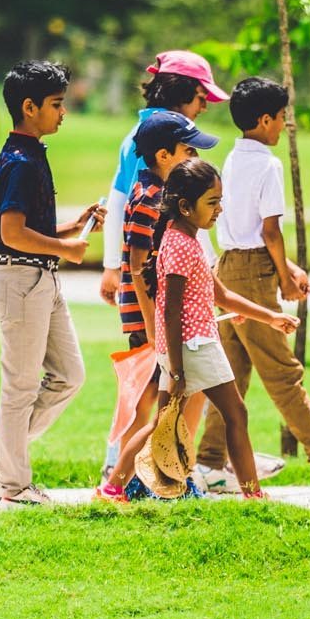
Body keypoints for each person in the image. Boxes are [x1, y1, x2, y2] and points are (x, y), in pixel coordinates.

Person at [196, 77, 310, 491]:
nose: (284, 126)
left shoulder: (230, 160)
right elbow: (270, 233)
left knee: (231, 372)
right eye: (281, 118)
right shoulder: (268, 163)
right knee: (282, 372)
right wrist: (283, 276)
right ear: (264, 120)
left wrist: (288, 267)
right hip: (255, 273)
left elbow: (242, 232)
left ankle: (209, 463)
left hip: (227, 268)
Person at [94, 50, 245, 480]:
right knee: (159, 385)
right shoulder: (153, 138)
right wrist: (114, 269)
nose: (203, 106)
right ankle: (145, 471)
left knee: (167, 385)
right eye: (201, 96)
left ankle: (168, 468)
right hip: (159, 290)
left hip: (177, 282)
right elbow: (125, 205)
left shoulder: (168, 133)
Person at [0, 61, 104, 507]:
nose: (63, 112)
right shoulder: (21, 161)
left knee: (70, 375)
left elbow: (30, 226)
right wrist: (67, 249)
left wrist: (74, 226)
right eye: (56, 104)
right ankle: (14, 488)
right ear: (29, 107)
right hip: (20, 279)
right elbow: (10, 233)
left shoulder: (30, 154)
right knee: (21, 387)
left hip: (39, 278)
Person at [150, 158, 300, 499]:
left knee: (164, 423)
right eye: (213, 202)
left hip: (185, 347)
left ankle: (144, 488)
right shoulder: (181, 245)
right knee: (235, 413)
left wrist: (270, 317)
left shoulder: (186, 240)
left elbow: (223, 295)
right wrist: (175, 367)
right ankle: (252, 494)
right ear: (186, 207)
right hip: (194, 346)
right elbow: (171, 310)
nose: (220, 210)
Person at [98, 109, 216, 500]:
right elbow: (135, 264)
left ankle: (148, 478)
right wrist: (153, 327)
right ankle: (125, 480)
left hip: (155, 316)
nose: (194, 159)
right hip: (147, 317)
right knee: (153, 400)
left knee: (160, 400)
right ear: (164, 155)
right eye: (188, 151)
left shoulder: (159, 193)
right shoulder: (149, 197)